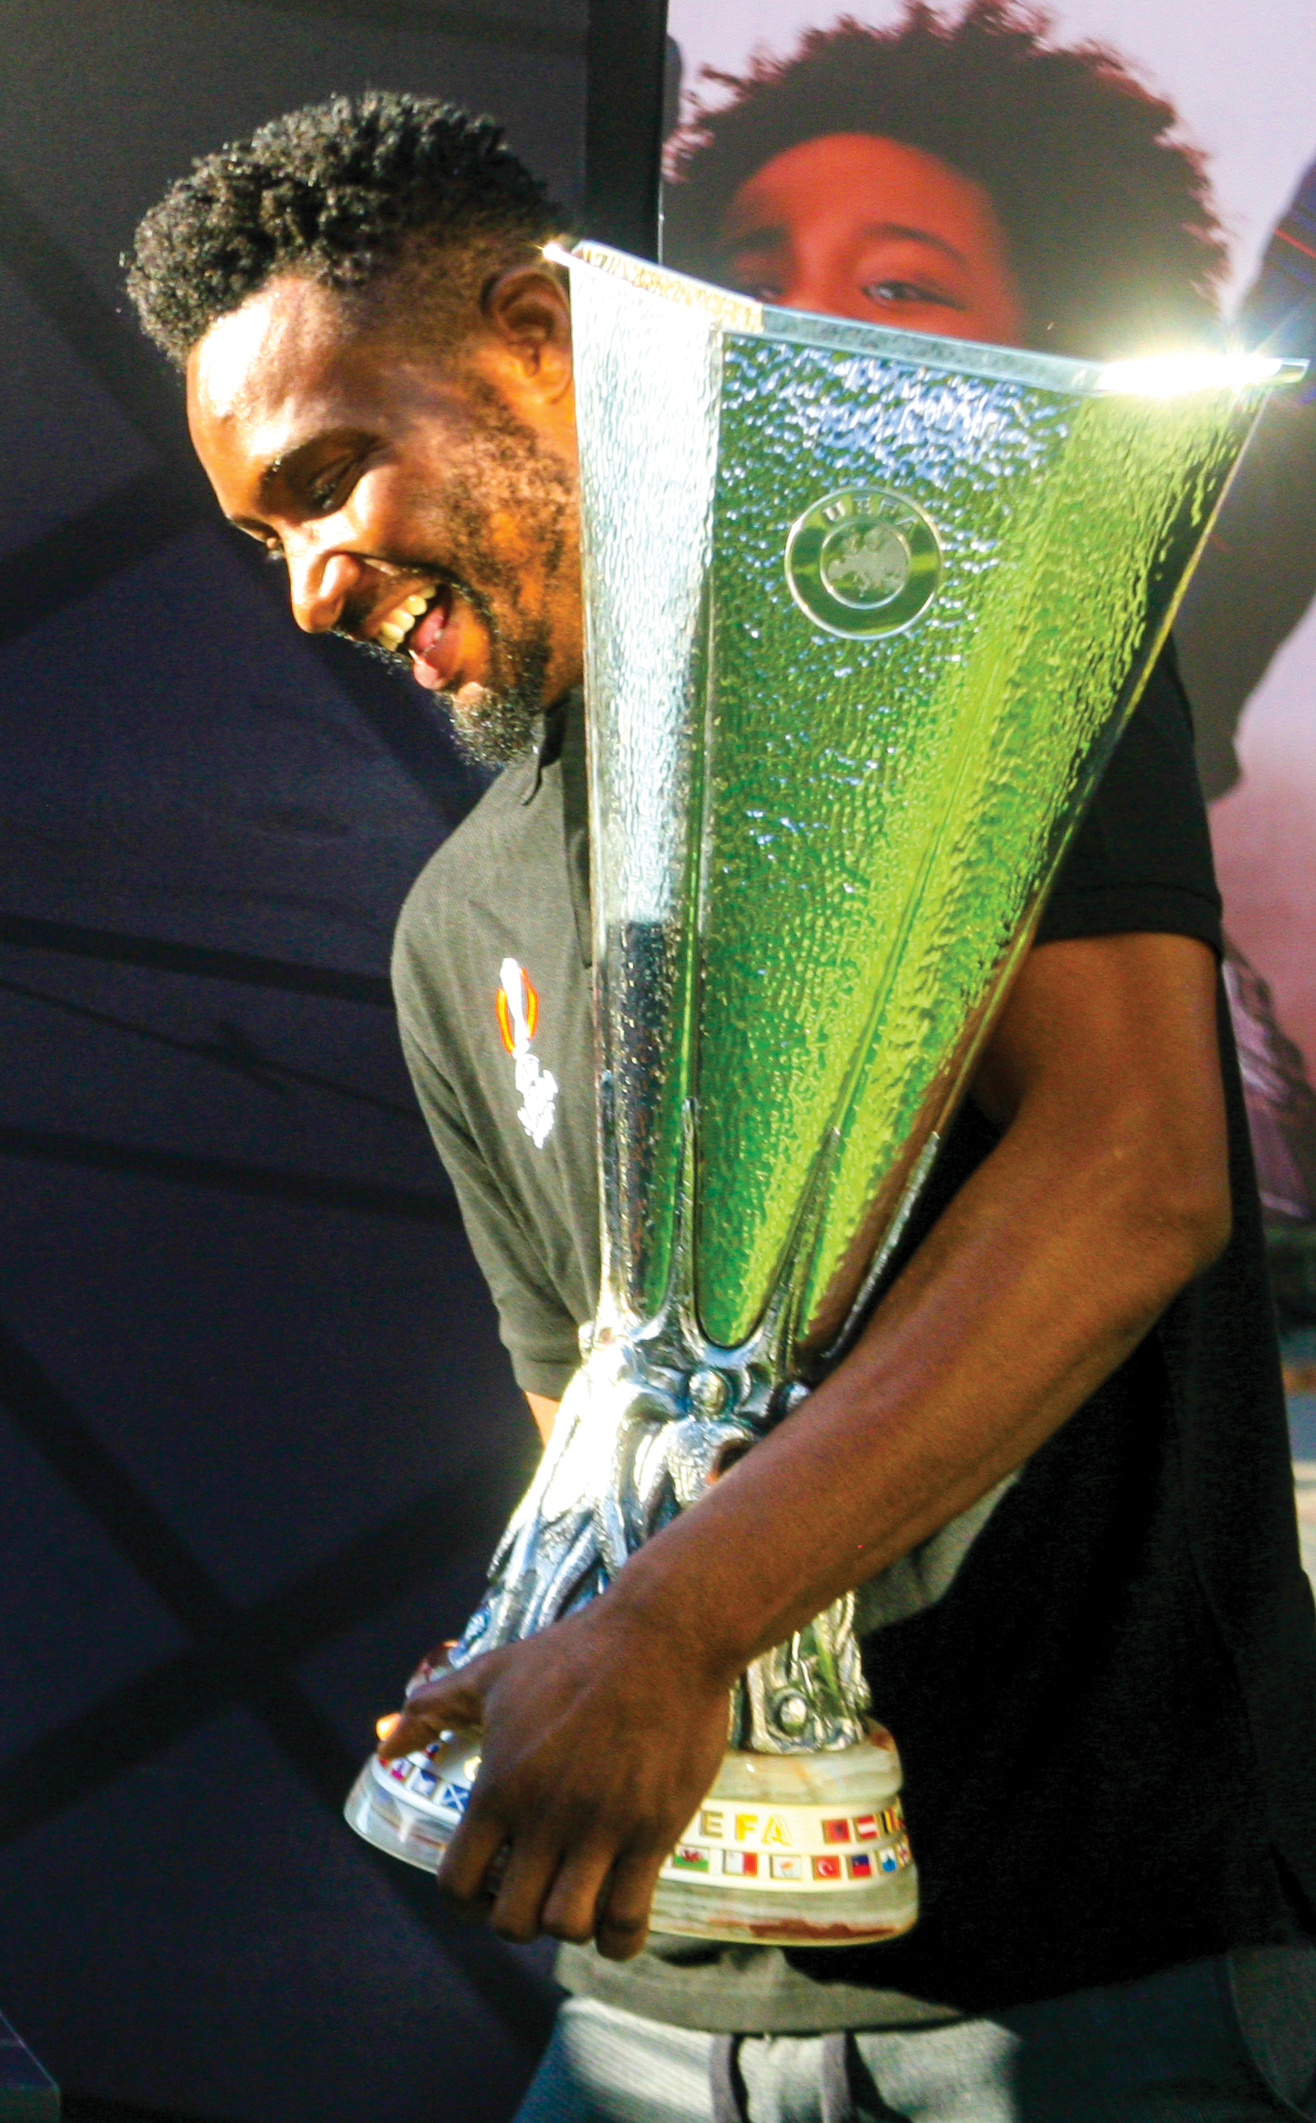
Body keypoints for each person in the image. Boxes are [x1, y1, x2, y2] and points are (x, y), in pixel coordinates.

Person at [127, 92, 1316, 2118]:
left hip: (1105, 1967)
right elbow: (599, 1441)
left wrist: (665, 1631)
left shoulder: (956, 642)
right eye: (264, 537)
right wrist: (549, 1651)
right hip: (652, 2002)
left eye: (327, 475)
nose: (310, 583)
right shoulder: (451, 925)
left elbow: (1129, 1176)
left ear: (532, 337)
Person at [660, 0, 1316, 1254]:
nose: (809, 327)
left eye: (899, 285)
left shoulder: (1121, 616)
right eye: (754, 282)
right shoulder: (638, 712)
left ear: (1056, 340)